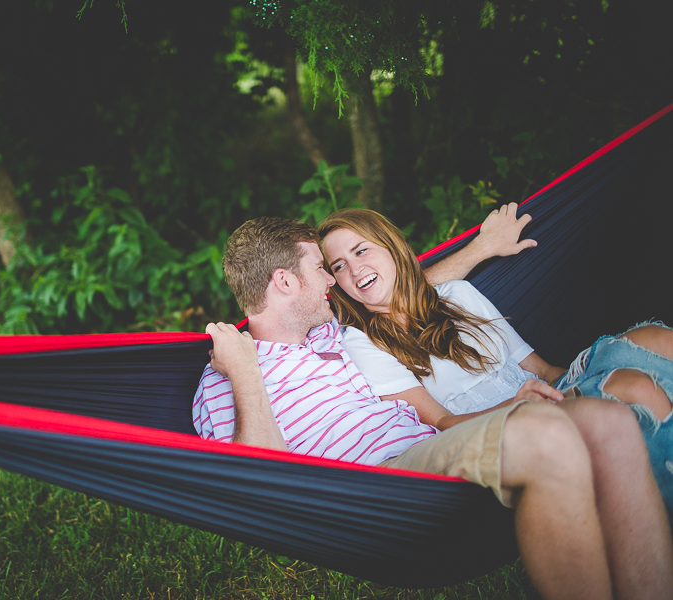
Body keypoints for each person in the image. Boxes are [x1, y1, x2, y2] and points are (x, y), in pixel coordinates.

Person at [193, 211, 673, 600]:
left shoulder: (331, 333)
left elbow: (401, 294)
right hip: (379, 482)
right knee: (547, 432)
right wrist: (246, 373)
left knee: (606, 420)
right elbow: (260, 484)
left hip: (432, 448)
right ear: (284, 281)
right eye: (323, 268)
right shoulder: (227, 376)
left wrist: (481, 248)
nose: (333, 282)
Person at [319, 206, 673, 512]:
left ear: (393, 248)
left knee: (655, 339)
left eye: (361, 250)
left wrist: (584, 381)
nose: (354, 269)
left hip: (547, 393)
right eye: (339, 265)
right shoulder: (363, 343)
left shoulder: (458, 293)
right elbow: (442, 422)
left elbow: (540, 369)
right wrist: (514, 404)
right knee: (633, 386)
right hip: (503, 426)